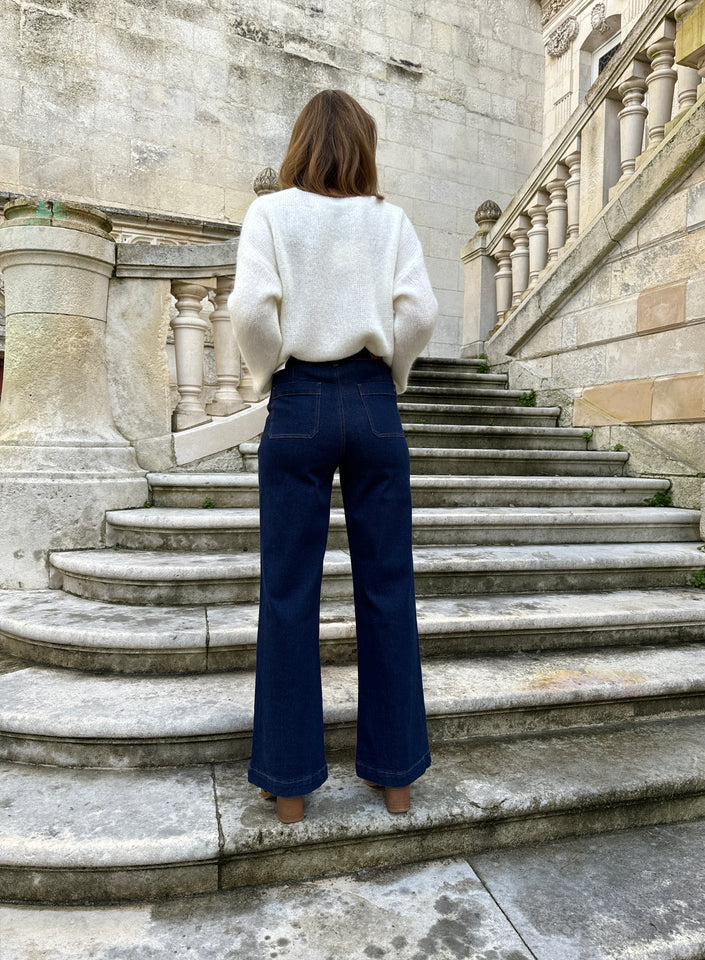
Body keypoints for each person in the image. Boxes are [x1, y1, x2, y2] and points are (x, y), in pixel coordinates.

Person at [229, 89, 438, 825]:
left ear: (300, 145)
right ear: (363, 148)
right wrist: (392, 372)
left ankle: (288, 785)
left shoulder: (270, 214)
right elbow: (420, 312)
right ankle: (396, 777)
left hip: (299, 404)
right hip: (373, 403)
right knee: (388, 587)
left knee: (289, 591)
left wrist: (271, 373)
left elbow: (251, 309)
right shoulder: (390, 220)